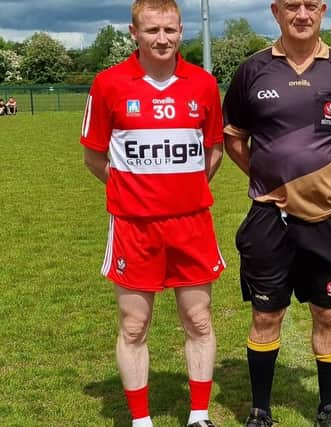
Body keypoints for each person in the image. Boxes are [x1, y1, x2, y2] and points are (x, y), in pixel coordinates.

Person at [222, 1, 331, 425]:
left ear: (323, 10)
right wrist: (271, 180)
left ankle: (328, 406)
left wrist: (330, 178)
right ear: (276, 12)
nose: (302, 14)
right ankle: (260, 410)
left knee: (328, 313)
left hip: (329, 217)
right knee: (265, 313)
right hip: (269, 217)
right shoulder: (253, 71)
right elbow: (235, 139)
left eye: (311, 5)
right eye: (293, 5)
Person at [80, 1, 225, 426]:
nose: (162, 39)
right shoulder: (109, 84)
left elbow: (213, 152)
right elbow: (93, 158)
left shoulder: (202, 84)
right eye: (152, 31)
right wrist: (134, 193)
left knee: (198, 320)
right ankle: (141, 420)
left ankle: (199, 415)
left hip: (192, 223)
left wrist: (181, 192)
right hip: (133, 227)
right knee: (133, 326)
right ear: (134, 33)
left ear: (181, 31)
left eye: (169, 30)